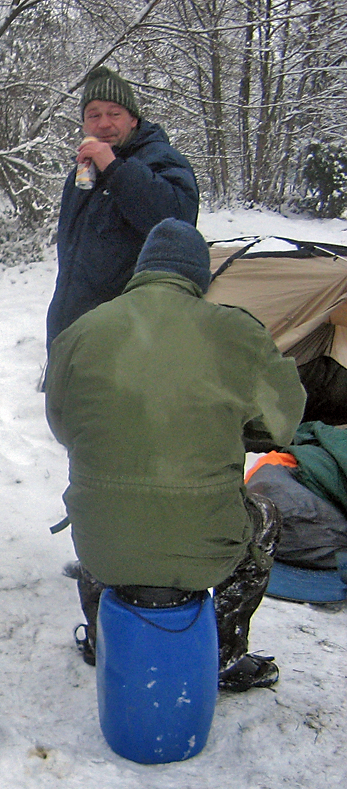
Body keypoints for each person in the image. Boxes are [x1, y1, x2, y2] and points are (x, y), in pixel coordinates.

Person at [45, 218, 307, 691]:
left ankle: (104, 639)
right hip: (207, 546)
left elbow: (64, 428)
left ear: (142, 270)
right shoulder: (237, 332)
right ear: (200, 277)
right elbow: (282, 423)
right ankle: (223, 656)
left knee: (104, 508)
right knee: (265, 518)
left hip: (102, 546)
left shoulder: (82, 330)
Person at [46, 66, 200, 352]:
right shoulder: (82, 173)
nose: (104, 124)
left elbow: (177, 221)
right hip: (74, 327)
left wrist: (115, 168)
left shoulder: (161, 158)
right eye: (94, 115)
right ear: (84, 125)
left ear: (133, 119)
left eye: (114, 114)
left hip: (132, 334)